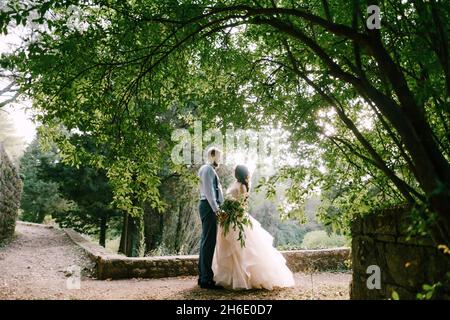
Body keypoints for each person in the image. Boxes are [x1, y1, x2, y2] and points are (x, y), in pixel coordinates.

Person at [212, 164, 296, 290]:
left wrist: (233, 211)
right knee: (231, 249)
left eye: (235, 171)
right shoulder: (234, 183)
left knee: (243, 249)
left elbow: (243, 204)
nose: (233, 172)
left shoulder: (243, 186)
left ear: (239, 173)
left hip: (238, 218)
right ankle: (231, 278)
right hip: (229, 218)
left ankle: (245, 279)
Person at [197, 147, 224, 289]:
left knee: (206, 242)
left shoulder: (209, 170)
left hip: (207, 206)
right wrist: (216, 209)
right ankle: (206, 278)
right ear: (212, 155)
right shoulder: (207, 169)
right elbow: (209, 191)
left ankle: (203, 277)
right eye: (218, 156)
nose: (220, 159)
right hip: (208, 206)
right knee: (208, 242)